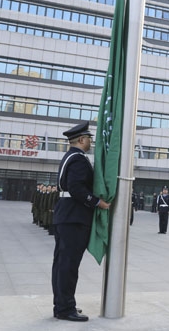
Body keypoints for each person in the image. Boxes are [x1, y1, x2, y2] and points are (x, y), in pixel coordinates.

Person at [51, 122, 110, 322]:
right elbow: (76, 188)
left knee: (62, 264)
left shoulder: (70, 156)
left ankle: (62, 305)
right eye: (89, 139)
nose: (91, 142)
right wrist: (98, 202)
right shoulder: (78, 159)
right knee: (68, 266)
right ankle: (65, 308)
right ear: (82, 139)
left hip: (66, 215)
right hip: (74, 217)